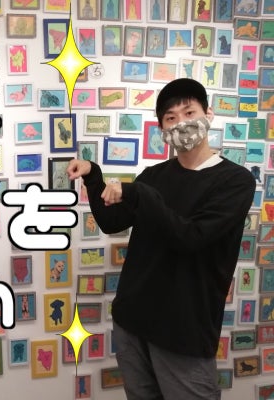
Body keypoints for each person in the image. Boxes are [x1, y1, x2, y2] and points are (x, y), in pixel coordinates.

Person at [67, 78, 255, 399]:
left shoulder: (235, 181)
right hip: (132, 322)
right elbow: (112, 221)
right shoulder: (154, 176)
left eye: (189, 112)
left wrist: (139, 193)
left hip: (184, 331)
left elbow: (190, 237)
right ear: (162, 129)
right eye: (171, 117)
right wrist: (93, 176)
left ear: (208, 114)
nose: (181, 123)